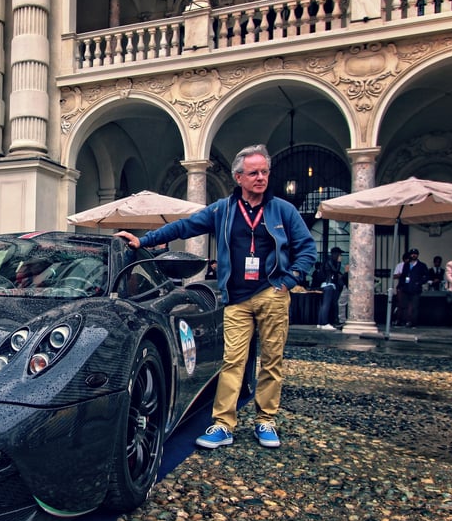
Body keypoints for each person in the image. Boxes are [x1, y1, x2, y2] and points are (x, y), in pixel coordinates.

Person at [115, 144, 316, 450]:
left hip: (273, 294)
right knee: (232, 361)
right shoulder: (223, 210)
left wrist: (289, 281)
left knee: (272, 362)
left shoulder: (283, 211)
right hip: (235, 298)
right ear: (239, 177)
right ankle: (223, 425)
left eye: (264, 172)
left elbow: (307, 249)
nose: (261, 178)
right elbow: (184, 226)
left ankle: (266, 420)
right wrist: (144, 240)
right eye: (253, 173)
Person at [393, 248, 429, 328]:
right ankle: (405, 321)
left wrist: (419, 282)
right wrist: (402, 285)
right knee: (404, 305)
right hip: (406, 288)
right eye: (412, 254)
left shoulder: (422, 265)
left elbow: (426, 276)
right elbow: (403, 276)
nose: (413, 255)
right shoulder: (406, 264)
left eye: (415, 254)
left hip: (416, 289)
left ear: (417, 255)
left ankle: (413, 323)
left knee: (414, 306)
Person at [316, 247, 346, 330]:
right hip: (329, 285)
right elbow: (335, 271)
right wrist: (339, 263)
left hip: (326, 285)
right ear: (336, 254)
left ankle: (320, 323)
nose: (341, 256)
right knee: (326, 304)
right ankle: (324, 323)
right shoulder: (330, 261)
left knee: (324, 305)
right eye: (340, 254)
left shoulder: (327, 261)